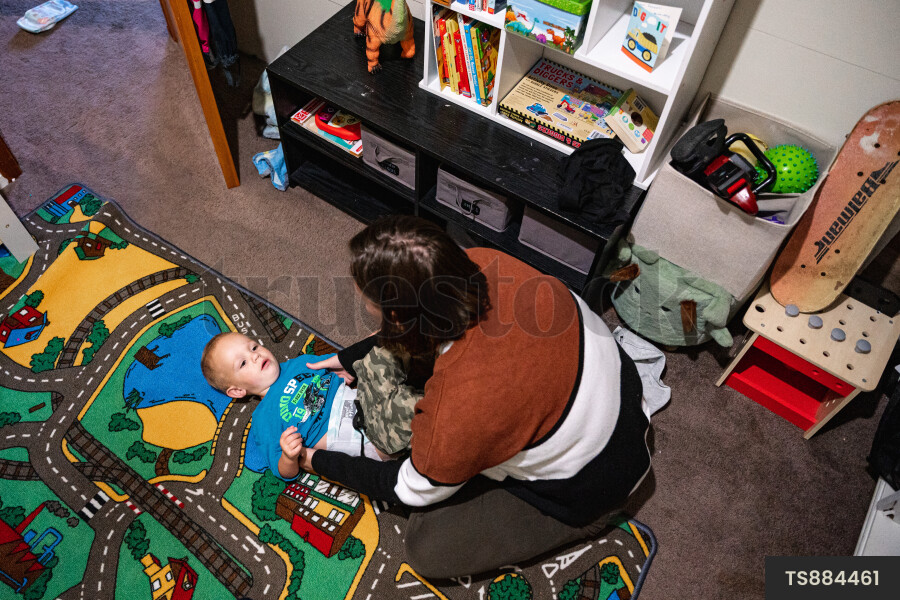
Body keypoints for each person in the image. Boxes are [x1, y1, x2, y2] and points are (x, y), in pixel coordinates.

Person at [298, 215, 652, 578]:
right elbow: (412, 326)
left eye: (369, 305)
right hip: (622, 391)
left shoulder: (456, 414)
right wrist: (350, 357)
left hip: (598, 486)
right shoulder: (482, 260)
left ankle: (577, 519)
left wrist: (318, 462)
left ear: (396, 317)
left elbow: (403, 487)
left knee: (426, 547)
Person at [200, 332, 419, 480]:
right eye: (243, 363)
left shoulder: (299, 363)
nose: (255, 356)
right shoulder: (263, 418)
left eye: (254, 347)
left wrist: (353, 361)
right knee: (408, 410)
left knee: (386, 348)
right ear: (237, 391)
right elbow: (281, 471)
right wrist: (288, 456)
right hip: (366, 436)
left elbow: (346, 362)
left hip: (367, 399)